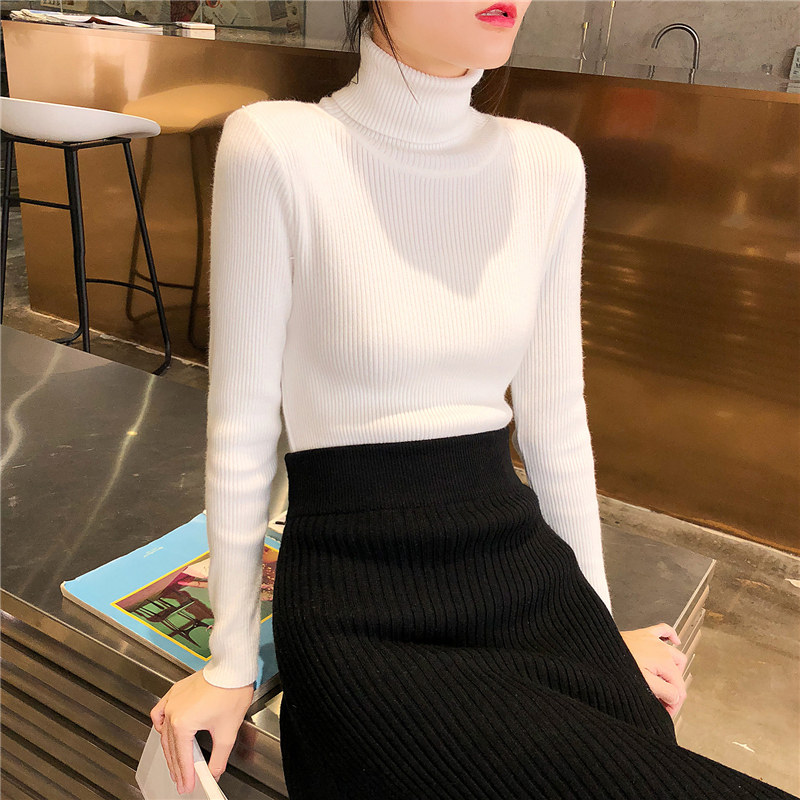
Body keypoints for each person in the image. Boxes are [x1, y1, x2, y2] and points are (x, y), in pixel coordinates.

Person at [150, 3, 796, 798]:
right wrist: (228, 662)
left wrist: (595, 632)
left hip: (520, 565)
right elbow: (241, 424)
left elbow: (557, 424)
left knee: (640, 747)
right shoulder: (278, 145)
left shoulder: (547, 164)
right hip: (362, 600)